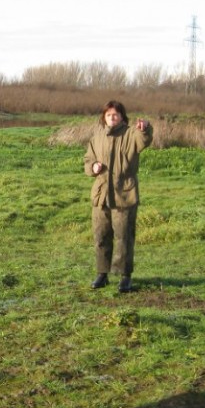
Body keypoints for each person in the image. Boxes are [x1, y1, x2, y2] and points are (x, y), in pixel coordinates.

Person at [83, 100, 153, 293]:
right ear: (104, 117)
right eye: (108, 115)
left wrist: (145, 128)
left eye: (115, 114)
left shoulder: (131, 134)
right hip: (101, 194)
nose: (112, 118)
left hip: (124, 194)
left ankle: (125, 277)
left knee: (124, 236)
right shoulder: (97, 136)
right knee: (101, 235)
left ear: (122, 116)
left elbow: (144, 139)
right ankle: (102, 274)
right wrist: (93, 167)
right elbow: (88, 160)